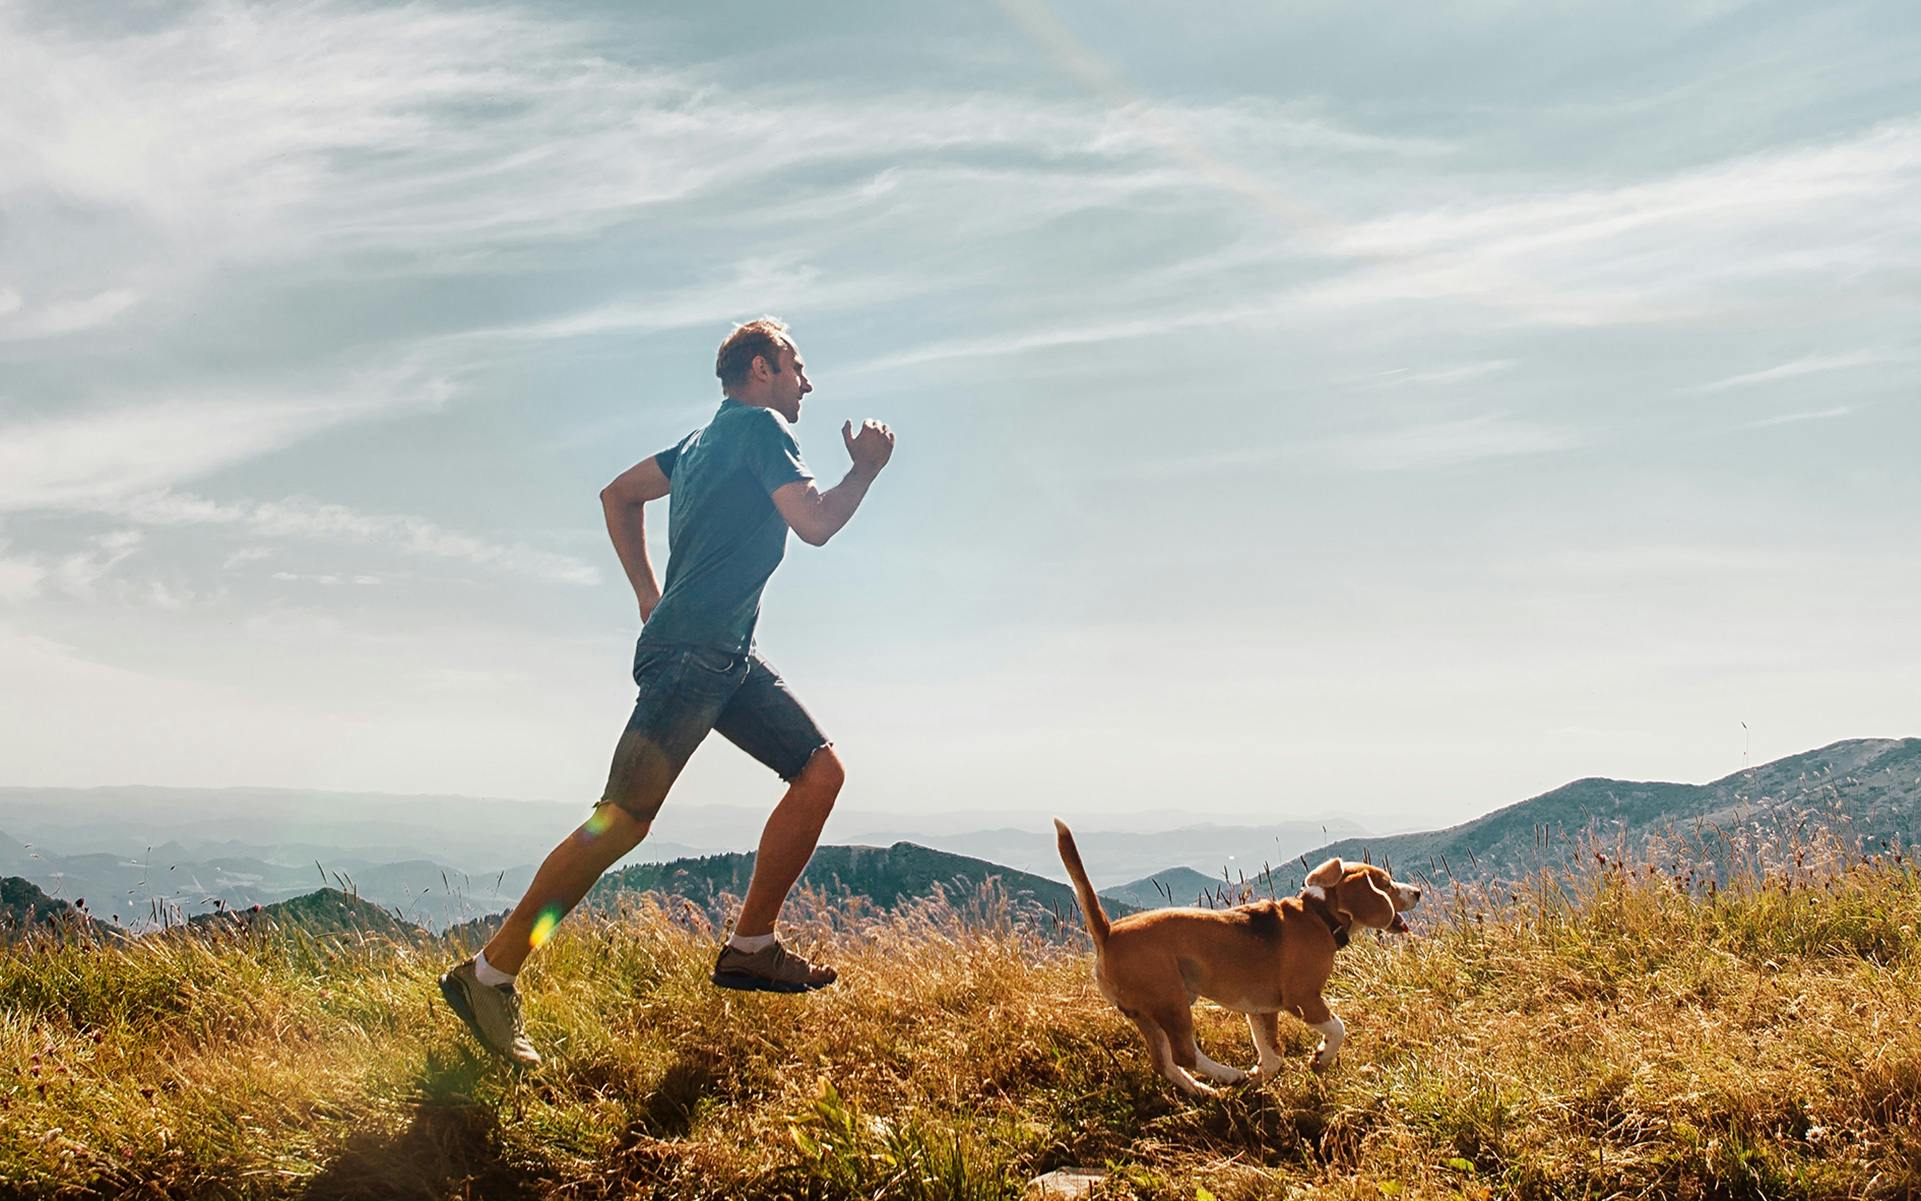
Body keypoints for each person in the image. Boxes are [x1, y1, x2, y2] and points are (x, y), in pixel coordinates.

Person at [439, 317, 895, 1066]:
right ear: (760, 368)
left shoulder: (698, 442)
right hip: (692, 657)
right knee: (618, 822)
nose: (806, 382)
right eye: (796, 366)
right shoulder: (759, 431)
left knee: (819, 771)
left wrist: (649, 595)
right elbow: (813, 523)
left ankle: (751, 943)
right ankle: (488, 973)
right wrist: (866, 470)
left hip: (722, 657)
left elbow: (618, 494)